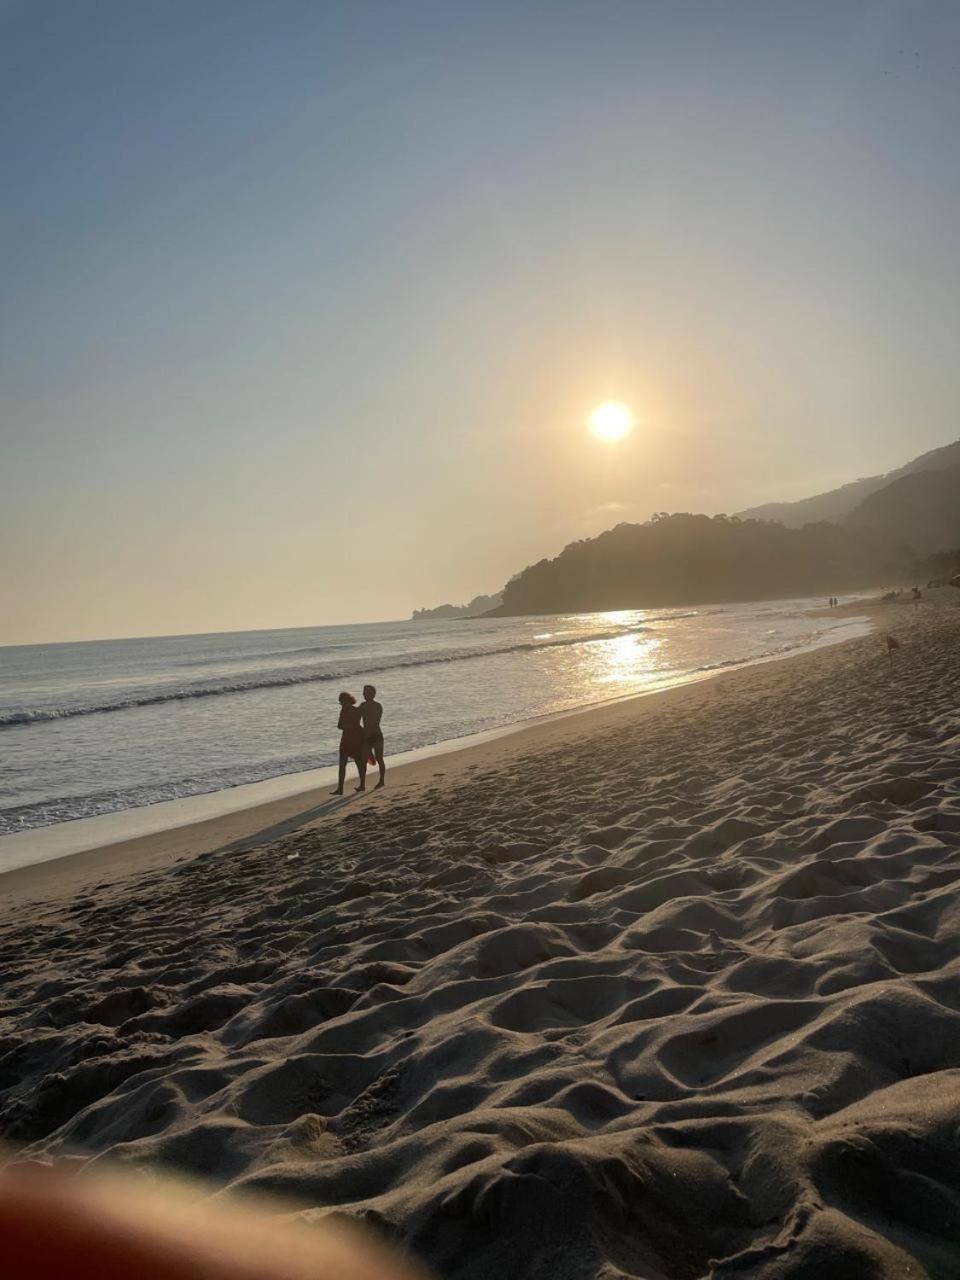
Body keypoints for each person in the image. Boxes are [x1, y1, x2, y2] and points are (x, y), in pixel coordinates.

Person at [332, 691, 366, 794]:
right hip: (347, 738)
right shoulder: (345, 710)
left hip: (354, 738)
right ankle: (340, 788)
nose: (341, 704)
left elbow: (353, 725)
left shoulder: (355, 710)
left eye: (342, 702)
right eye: (340, 702)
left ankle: (362, 785)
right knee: (343, 764)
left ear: (347, 701)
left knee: (358, 762)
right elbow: (340, 725)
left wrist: (347, 726)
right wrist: (347, 725)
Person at [360, 684, 386, 788]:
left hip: (376, 735)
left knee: (379, 758)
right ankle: (362, 784)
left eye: (367, 693)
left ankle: (382, 780)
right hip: (366, 737)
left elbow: (375, 722)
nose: (365, 694)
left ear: (373, 694)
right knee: (363, 760)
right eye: (364, 692)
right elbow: (356, 718)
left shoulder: (378, 706)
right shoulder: (362, 705)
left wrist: (367, 733)